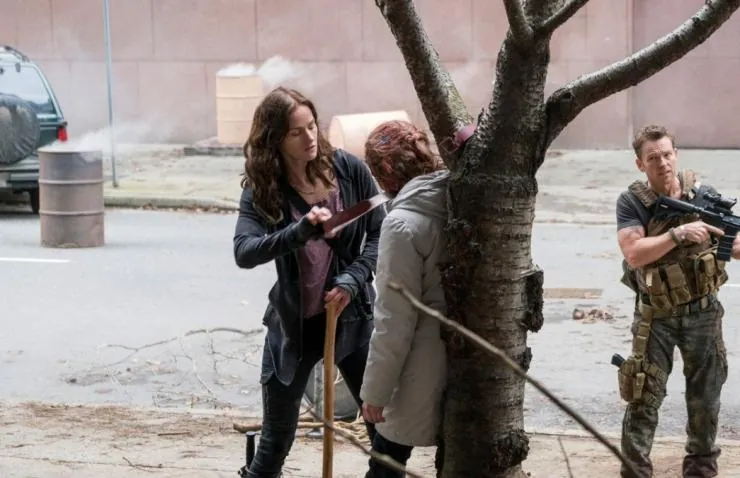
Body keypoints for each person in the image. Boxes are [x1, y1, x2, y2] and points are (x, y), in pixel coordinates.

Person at [233, 86, 383, 478]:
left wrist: (353, 279)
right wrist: (297, 233)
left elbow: (380, 233)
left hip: (353, 317)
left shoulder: (348, 170)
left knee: (384, 433)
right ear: (275, 140)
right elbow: (244, 252)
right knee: (275, 442)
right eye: (296, 132)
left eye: (312, 126)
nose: (310, 137)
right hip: (294, 327)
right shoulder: (264, 189)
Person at [615, 124, 737, 478]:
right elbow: (634, 253)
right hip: (655, 317)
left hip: (703, 313)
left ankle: (701, 466)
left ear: (676, 155)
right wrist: (677, 233)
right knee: (643, 393)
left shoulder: (704, 196)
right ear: (640, 164)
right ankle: (635, 470)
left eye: (667, 155)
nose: (663, 163)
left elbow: (733, 246)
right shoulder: (633, 202)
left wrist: (727, 239)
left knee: (706, 395)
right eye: (653, 158)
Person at [359, 119, 449, 477]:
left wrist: (375, 392)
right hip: (464, 359)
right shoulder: (452, 198)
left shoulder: (401, 224)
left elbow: (394, 319)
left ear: (384, 171)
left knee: (385, 462)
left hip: (421, 367)